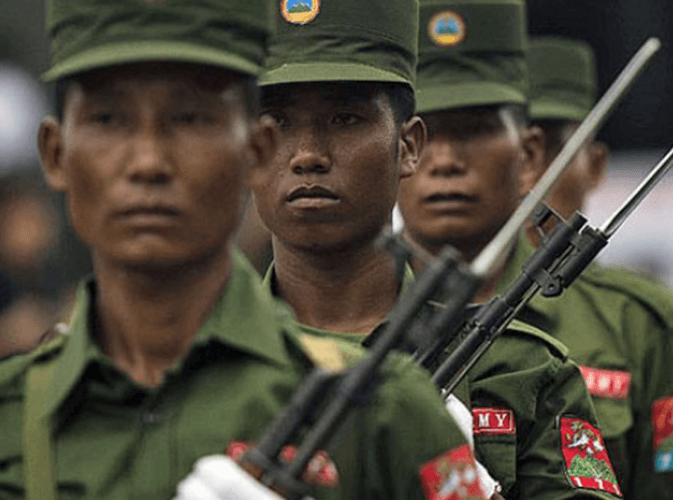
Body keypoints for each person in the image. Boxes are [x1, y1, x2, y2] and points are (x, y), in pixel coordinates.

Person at [0, 0, 477, 499]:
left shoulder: (388, 419)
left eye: (190, 118)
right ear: (55, 153)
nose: (148, 161)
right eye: (108, 118)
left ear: (255, 148)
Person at [254, 0, 620, 498]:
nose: (308, 155)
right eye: (276, 123)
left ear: (407, 147)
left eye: (344, 119)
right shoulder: (184, 365)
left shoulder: (517, 369)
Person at [495, 36, 673, 500]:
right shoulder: (385, 304)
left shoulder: (654, 327)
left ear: (596, 165)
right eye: (494, 143)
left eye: (551, 150)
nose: (526, 175)